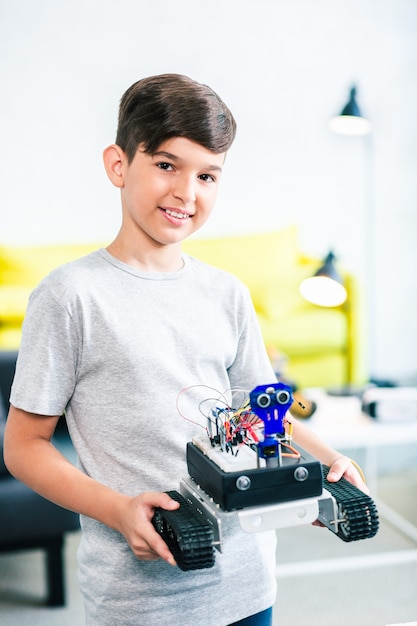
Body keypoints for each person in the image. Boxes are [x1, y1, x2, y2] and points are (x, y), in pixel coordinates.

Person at [4, 74, 368, 626]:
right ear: (119, 165)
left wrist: (325, 461)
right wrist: (118, 510)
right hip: (141, 601)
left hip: (248, 585)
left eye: (207, 175)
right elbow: (24, 446)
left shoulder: (228, 293)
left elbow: (261, 415)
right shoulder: (69, 296)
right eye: (167, 165)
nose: (186, 193)